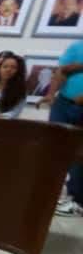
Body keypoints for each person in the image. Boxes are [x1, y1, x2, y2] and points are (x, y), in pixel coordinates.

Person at [50, 39, 83, 215]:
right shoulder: (77, 46)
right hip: (63, 102)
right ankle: (52, 195)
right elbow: (62, 71)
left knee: (79, 153)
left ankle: (75, 200)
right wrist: (50, 95)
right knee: (55, 147)